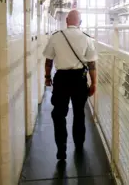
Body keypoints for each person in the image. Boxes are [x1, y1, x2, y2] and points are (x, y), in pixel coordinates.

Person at [42, 10, 98, 160]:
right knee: (79, 113)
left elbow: (49, 60)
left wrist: (47, 77)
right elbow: (92, 64)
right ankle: (79, 145)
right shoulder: (86, 39)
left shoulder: (56, 37)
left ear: (67, 20)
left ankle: (61, 148)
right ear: (80, 23)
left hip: (61, 79)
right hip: (79, 79)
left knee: (58, 114)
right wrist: (93, 83)